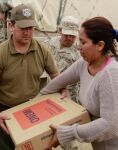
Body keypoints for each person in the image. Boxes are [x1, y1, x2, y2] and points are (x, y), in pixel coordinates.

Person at [0, 4, 59, 150]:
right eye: (23, 28)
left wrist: (64, 89)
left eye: (31, 28)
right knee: (6, 146)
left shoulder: (42, 50)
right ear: (10, 25)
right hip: (6, 111)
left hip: (33, 109)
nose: (28, 32)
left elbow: (56, 76)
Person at [41, 16, 118, 150]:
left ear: (100, 45)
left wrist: (69, 133)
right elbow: (55, 84)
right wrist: (34, 103)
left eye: (83, 42)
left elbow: (111, 125)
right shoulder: (84, 64)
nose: (78, 47)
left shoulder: (111, 74)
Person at [45, 16, 80, 102]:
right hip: (48, 90)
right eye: (66, 35)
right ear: (60, 30)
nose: (69, 38)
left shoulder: (79, 52)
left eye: (72, 36)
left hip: (67, 96)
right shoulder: (50, 43)